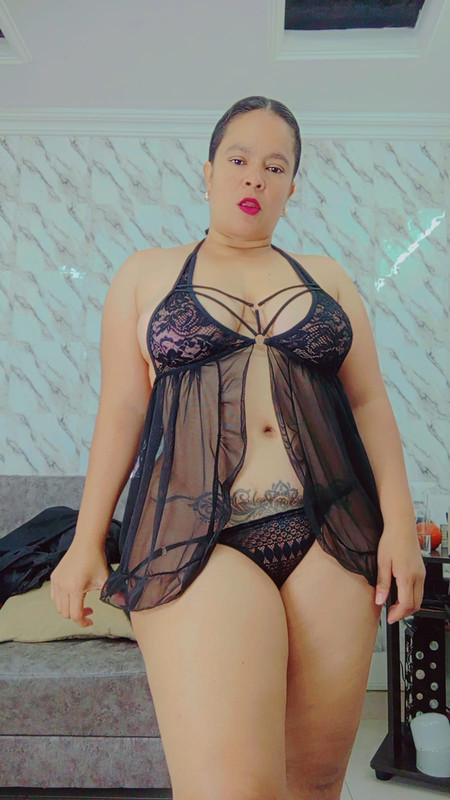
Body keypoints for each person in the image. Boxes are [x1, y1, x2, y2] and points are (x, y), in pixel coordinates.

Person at [50, 95, 426, 800]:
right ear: (209, 171)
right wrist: (86, 539)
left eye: (275, 166)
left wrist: (400, 526)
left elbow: (369, 403)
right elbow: (123, 408)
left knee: (315, 784)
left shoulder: (328, 277)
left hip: (331, 531)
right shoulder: (146, 273)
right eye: (239, 159)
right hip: (198, 538)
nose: (255, 176)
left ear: (292, 187)